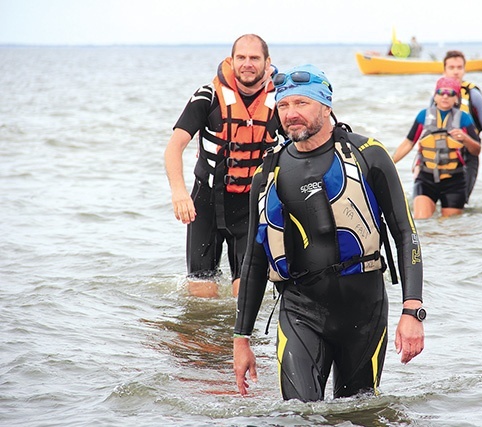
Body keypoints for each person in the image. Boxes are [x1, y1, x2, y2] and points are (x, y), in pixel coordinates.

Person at [233, 64, 424, 402]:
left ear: (326, 104)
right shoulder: (268, 172)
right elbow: (254, 258)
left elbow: (405, 233)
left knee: (357, 412)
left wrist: (412, 312)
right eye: (283, 106)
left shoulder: (368, 155)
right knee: (298, 414)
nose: (291, 114)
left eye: (301, 104)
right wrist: (241, 338)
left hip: (363, 312)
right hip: (299, 311)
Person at [164, 34, 281, 298]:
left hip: (251, 208)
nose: (247, 64)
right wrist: (179, 192)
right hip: (204, 206)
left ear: (267, 62)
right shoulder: (208, 96)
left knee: (245, 297)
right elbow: (174, 147)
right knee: (202, 300)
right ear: (231, 60)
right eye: (241, 57)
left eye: (254, 58)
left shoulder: (280, 102)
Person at [392, 77, 481, 219]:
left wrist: (465, 138)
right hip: (426, 178)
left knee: (449, 227)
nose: (445, 96)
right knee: (421, 220)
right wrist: (389, 163)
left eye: (450, 93)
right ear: (435, 96)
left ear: (456, 99)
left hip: (454, 180)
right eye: (441, 92)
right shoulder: (423, 116)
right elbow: (409, 143)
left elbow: (476, 150)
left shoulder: (464, 119)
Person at [442, 50, 482, 203]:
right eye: (451, 68)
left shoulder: (473, 95)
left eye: (459, 67)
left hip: (467, 156)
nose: (456, 72)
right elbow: (426, 130)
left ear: (464, 70)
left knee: (458, 203)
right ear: (444, 70)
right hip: (441, 155)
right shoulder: (438, 96)